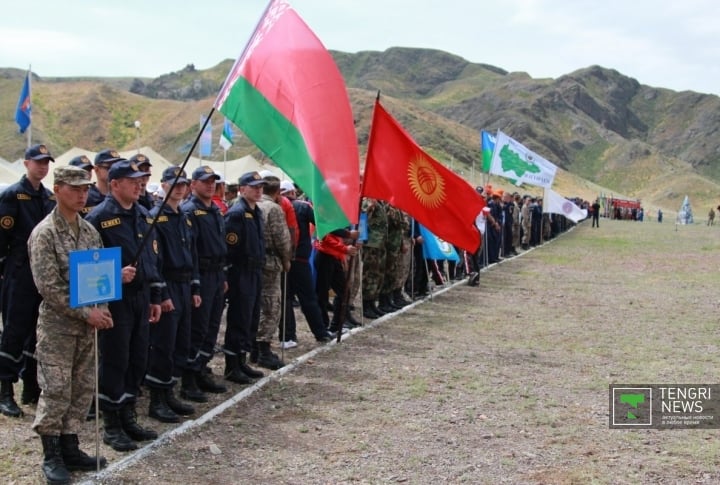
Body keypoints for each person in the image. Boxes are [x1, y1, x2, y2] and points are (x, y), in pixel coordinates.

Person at [28, 166, 112, 483]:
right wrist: (86, 313)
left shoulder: (89, 231)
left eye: (85, 189)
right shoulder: (45, 233)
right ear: (57, 189)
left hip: (87, 327)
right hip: (58, 328)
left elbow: (100, 277)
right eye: (75, 189)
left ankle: (70, 446)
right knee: (57, 390)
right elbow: (49, 288)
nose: (82, 194)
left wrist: (101, 309)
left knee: (82, 388)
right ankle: (51, 455)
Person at [85, 159, 163, 452]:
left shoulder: (143, 214)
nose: (138, 184)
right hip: (115, 300)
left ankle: (128, 413)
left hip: (141, 298)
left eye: (141, 179)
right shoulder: (98, 218)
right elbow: (86, 268)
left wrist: (155, 296)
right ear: (114, 184)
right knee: (115, 359)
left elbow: (153, 260)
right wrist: (113, 277)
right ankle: (112, 422)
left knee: (137, 358)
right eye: (132, 180)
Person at [0, 144, 57, 418]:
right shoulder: (13, 195)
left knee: (38, 333)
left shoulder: (47, 197)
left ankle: (31, 386)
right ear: (26, 164)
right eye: (38, 162)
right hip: (19, 271)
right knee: (14, 331)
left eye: (46, 162)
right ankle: (5, 390)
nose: (42, 167)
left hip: (41, 273)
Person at [145, 167, 201, 423]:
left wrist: (195, 287)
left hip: (184, 283)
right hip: (167, 283)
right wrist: (162, 293)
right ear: (164, 186)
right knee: (163, 343)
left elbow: (192, 252)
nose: (180, 188)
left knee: (181, 340)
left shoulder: (184, 216)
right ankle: (157, 398)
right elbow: (155, 260)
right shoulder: (156, 217)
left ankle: (170, 392)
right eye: (175, 184)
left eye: (184, 184)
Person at [180, 166, 229, 399]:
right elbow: (191, 251)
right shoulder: (190, 211)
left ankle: (202, 368)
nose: (210, 185)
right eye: (205, 181)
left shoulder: (215, 210)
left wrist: (224, 276)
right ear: (193, 185)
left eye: (213, 181)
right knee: (197, 329)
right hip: (201, 274)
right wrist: (195, 284)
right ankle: (189, 378)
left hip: (217, 274)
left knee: (211, 327)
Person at [223, 171, 268, 382]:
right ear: (242, 189)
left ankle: (242, 361)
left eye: (261, 186)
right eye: (254, 186)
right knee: (239, 317)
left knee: (251, 318)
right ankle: (232, 366)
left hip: (255, 271)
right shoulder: (237, 213)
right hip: (241, 271)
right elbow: (229, 247)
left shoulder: (256, 211)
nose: (259, 190)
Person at [280, 182, 335, 343]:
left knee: (286, 298)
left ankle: (287, 336)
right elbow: (323, 223)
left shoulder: (275, 206)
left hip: (282, 258)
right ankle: (320, 332)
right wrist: (347, 233)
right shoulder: (302, 207)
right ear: (292, 192)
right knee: (308, 298)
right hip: (300, 259)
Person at [255, 175, 292, 367]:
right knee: (271, 306)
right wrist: (287, 259)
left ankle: (254, 348)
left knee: (256, 305)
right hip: (270, 262)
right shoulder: (274, 208)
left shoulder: (251, 204)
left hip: (253, 262)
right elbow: (282, 238)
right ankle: (263, 349)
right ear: (277, 193)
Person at [85, 149, 123, 215]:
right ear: (97, 170)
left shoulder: (124, 196)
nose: (114, 171)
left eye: (117, 167)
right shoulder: (85, 197)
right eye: (109, 168)